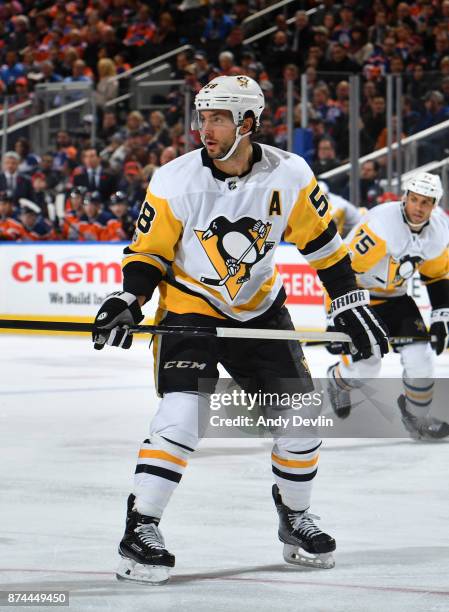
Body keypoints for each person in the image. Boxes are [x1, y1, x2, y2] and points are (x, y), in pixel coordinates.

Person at [92, 75, 388, 584]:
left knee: (302, 421)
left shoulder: (289, 173)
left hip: (259, 310)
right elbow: (148, 253)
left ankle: (294, 517)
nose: (205, 127)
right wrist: (127, 297)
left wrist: (349, 299)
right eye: (202, 116)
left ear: (248, 122)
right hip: (191, 309)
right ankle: (140, 527)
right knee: (183, 417)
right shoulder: (173, 178)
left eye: (219, 117)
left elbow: (322, 243)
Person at [326, 173, 449, 441]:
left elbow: (437, 275)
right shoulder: (381, 224)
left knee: (422, 359)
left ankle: (417, 418)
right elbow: (340, 270)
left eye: (426, 202)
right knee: (368, 366)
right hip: (360, 299)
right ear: (404, 197)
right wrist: (336, 315)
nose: (418, 207)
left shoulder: (440, 228)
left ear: (435, 204)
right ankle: (337, 380)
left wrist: (442, 315)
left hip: (397, 298)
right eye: (413, 199)